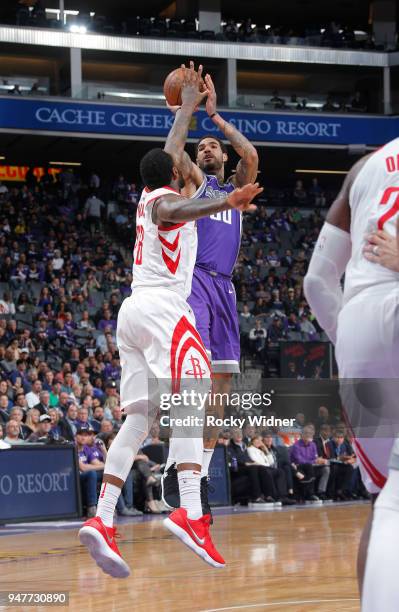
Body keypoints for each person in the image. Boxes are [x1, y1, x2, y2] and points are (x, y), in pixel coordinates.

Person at [79, 65, 262, 578]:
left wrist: (184, 108)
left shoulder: (150, 191)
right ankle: (190, 509)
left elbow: (172, 149)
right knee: (195, 396)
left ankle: (103, 517)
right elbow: (174, 213)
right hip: (164, 309)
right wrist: (226, 200)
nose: (190, 163)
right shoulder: (164, 203)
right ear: (177, 176)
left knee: (140, 417)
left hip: (133, 313)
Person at [303, 137, 399, 609]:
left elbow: (316, 281)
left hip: (359, 324)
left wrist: (354, 341)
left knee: (385, 503)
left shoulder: (364, 166)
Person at [162, 61, 259, 513]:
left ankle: (197, 474)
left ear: (222, 156)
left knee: (221, 389)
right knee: (195, 379)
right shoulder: (197, 185)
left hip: (226, 290)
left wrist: (217, 118)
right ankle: (175, 466)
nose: (205, 150)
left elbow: (252, 157)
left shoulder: (237, 189)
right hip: (195, 282)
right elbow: (173, 151)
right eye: (201, 147)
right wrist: (187, 110)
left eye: (211, 146)